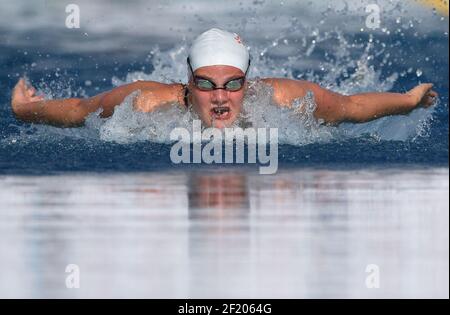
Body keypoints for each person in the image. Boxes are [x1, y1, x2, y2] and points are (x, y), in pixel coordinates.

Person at [11, 28, 437, 129]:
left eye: (232, 84)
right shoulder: (145, 104)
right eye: (205, 84)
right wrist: (26, 110)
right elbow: (81, 110)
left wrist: (410, 100)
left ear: (247, 85)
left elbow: (350, 106)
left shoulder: (285, 100)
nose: (219, 97)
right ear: (187, 85)